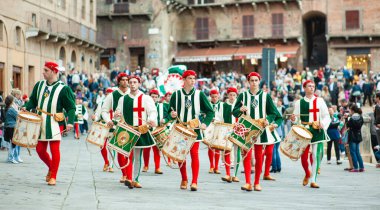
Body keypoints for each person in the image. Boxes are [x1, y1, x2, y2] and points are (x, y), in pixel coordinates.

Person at [23, 61, 76, 186]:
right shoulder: (39, 85)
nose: (43, 72)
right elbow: (33, 101)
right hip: (40, 121)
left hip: (55, 122)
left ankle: (53, 176)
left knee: (54, 149)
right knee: (40, 150)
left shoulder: (64, 89)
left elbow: (71, 107)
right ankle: (52, 168)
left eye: (46, 70)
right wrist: (26, 107)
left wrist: (71, 122)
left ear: (53, 71)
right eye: (43, 70)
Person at [165, 70, 214, 191]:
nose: (192, 81)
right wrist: (171, 114)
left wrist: (205, 123)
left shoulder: (199, 94)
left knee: (194, 154)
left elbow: (210, 111)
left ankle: (195, 181)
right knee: (181, 155)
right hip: (180, 128)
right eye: (190, 78)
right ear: (184, 80)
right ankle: (184, 178)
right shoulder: (176, 95)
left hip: (194, 129)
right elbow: (169, 112)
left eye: (194, 78)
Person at [233, 72, 283, 192]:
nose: (254, 82)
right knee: (246, 154)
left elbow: (273, 113)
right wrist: (240, 109)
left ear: (259, 81)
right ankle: (247, 182)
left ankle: (257, 182)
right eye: (252, 80)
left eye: (256, 80)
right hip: (247, 128)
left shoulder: (266, 96)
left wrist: (268, 120)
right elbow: (234, 111)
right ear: (248, 82)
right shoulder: (243, 95)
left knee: (259, 156)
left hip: (261, 128)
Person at [114, 75, 157, 189]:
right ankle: (129, 177)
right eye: (130, 82)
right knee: (128, 154)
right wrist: (116, 115)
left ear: (139, 84)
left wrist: (151, 120)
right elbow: (118, 112)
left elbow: (152, 111)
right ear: (128, 83)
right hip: (127, 130)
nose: (132, 84)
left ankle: (135, 179)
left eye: (135, 82)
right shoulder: (123, 99)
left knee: (137, 156)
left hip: (140, 130)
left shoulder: (146, 98)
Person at [290, 80, 331, 188]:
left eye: (313, 86)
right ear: (304, 88)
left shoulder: (320, 101)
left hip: (317, 130)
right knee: (303, 157)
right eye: (309, 86)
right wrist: (293, 119)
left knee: (315, 155)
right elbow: (295, 117)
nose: (312, 88)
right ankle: (307, 173)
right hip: (304, 130)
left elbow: (326, 115)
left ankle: (313, 180)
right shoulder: (299, 102)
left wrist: (323, 123)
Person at [102, 73, 130, 182]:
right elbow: (104, 110)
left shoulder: (132, 94)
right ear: (119, 81)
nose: (125, 82)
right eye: (123, 80)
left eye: (127, 80)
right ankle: (124, 174)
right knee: (120, 151)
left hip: (131, 126)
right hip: (118, 126)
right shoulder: (112, 95)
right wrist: (108, 120)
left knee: (129, 152)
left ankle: (129, 174)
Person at [142, 89, 166, 174]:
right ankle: (146, 165)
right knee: (146, 149)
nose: (154, 98)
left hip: (157, 130)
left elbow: (170, 115)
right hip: (147, 130)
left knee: (157, 149)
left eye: (156, 97)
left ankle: (157, 167)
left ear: (159, 98)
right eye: (152, 97)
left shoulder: (162, 106)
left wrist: (165, 120)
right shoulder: (144, 105)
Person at [221, 87, 241, 183]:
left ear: (236, 95)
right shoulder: (224, 105)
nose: (232, 97)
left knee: (237, 152)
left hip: (237, 130)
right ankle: (228, 174)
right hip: (227, 130)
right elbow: (221, 118)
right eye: (230, 95)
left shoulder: (240, 105)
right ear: (227, 95)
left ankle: (235, 175)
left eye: (234, 95)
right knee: (227, 151)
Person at [92, 88, 115, 172]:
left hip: (113, 128)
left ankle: (111, 166)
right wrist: (95, 118)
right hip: (103, 127)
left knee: (111, 147)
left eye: (110, 94)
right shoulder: (101, 103)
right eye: (107, 94)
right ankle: (106, 162)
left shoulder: (116, 104)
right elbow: (97, 115)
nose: (109, 95)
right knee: (102, 146)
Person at [345, 104, 364, 172]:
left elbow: (347, 125)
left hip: (352, 135)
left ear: (352, 110)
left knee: (353, 152)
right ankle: (361, 167)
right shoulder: (360, 117)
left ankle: (355, 167)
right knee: (357, 152)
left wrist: (346, 118)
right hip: (358, 135)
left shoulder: (351, 118)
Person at [208, 89, 222, 174]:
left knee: (217, 147)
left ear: (218, 96)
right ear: (210, 97)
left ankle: (216, 167)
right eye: (213, 97)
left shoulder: (222, 105)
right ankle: (211, 166)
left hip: (219, 127)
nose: (214, 98)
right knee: (210, 146)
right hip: (210, 127)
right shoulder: (208, 105)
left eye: (216, 97)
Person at [4, 95, 20, 163]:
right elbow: (18, 116)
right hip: (12, 127)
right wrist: (17, 109)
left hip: (8, 127)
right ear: (11, 101)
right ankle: (11, 158)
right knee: (13, 143)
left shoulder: (7, 108)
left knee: (11, 143)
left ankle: (10, 157)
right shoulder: (11, 109)